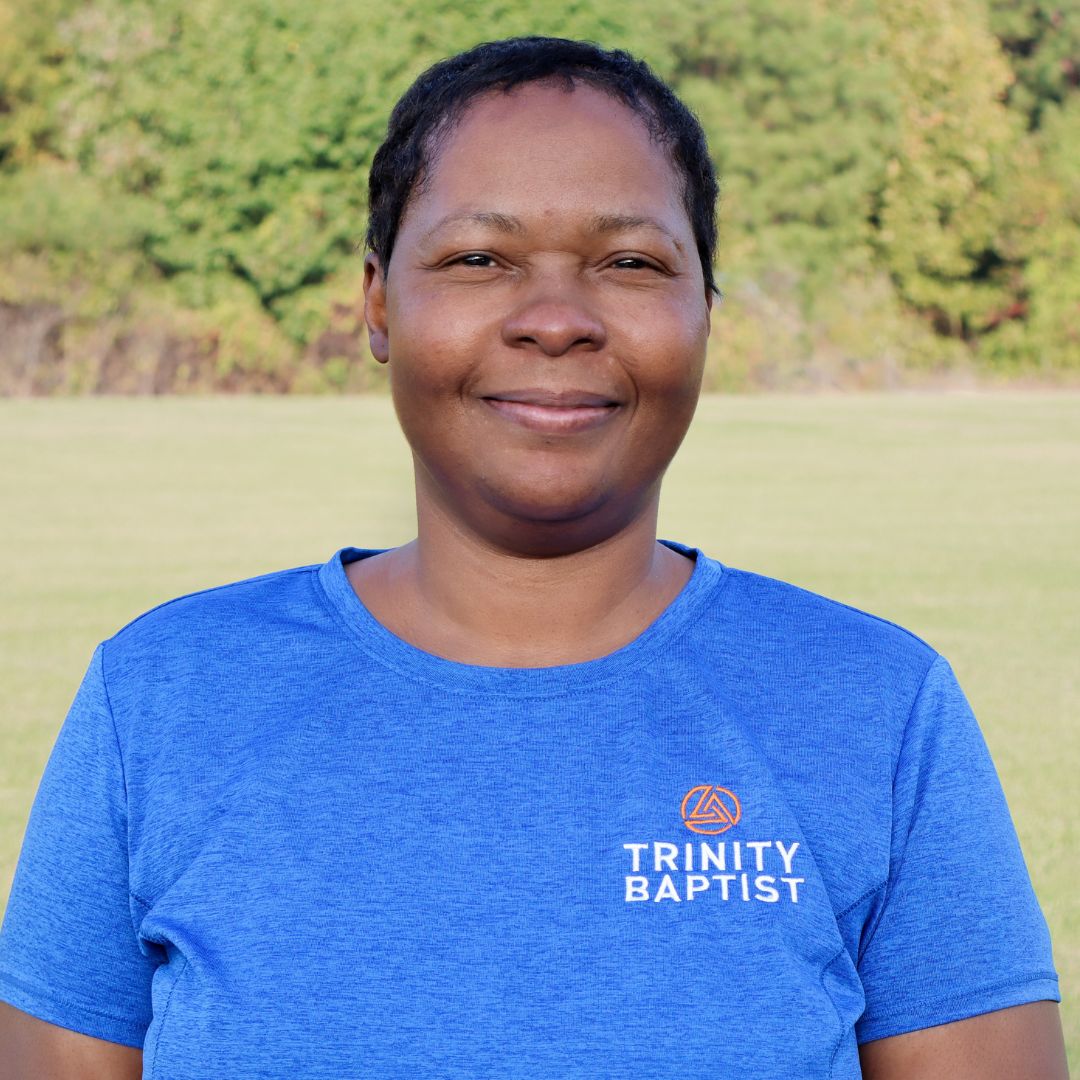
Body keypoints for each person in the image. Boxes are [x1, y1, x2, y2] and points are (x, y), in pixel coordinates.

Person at [0, 35, 1068, 1080]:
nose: (556, 320)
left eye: (631, 262)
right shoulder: (162, 695)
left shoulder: (878, 706)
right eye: (479, 258)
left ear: (706, 307)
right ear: (377, 301)